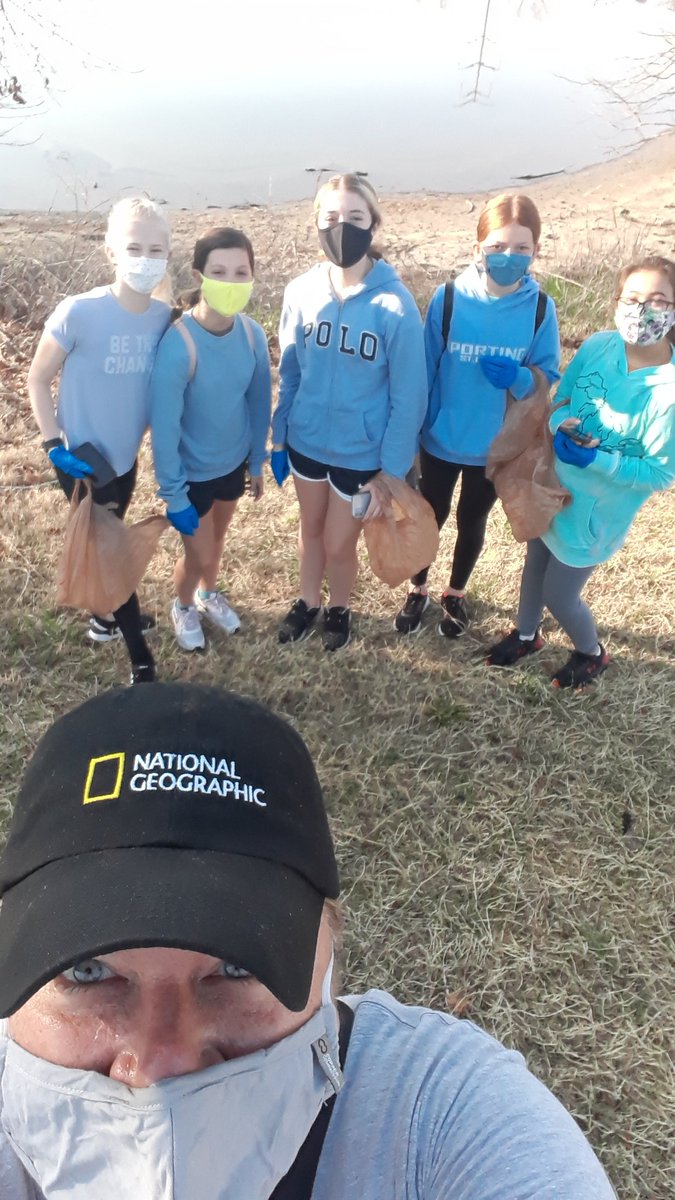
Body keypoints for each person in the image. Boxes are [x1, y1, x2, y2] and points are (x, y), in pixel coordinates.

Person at [0, 683, 618, 1199]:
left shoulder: (439, 1120)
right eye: (85, 971)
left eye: (238, 966)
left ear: (333, 967)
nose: (163, 1068)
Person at [487, 255, 675, 688]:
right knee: (535, 563)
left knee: (560, 593)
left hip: (595, 517)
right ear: (616, 301)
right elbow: (564, 401)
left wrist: (599, 461)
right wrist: (559, 426)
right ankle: (526, 634)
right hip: (554, 490)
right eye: (632, 299)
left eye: (658, 301)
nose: (642, 310)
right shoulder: (596, 347)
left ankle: (591, 653)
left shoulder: (667, 392)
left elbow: (662, 474)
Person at [271, 174, 427, 652]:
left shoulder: (395, 306)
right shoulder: (300, 291)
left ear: (373, 225)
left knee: (340, 542)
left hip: (361, 455)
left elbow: (410, 398)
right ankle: (307, 601)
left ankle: (338, 606)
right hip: (306, 442)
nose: (343, 227)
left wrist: (390, 472)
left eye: (355, 218)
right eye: (332, 217)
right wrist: (280, 434)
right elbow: (291, 369)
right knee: (310, 530)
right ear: (316, 223)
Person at [394, 193, 561, 638]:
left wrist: (521, 379)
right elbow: (423, 371)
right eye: (498, 247)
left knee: (473, 520)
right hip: (441, 438)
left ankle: (455, 593)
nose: (510, 257)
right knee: (432, 514)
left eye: (521, 249)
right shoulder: (448, 300)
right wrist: (412, 433)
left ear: (535, 252)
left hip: (496, 445)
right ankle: (419, 588)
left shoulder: (541, 309)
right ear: (477, 249)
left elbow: (548, 374)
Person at [27, 196, 172, 684]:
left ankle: (104, 616)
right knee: (111, 550)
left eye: (156, 248)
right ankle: (140, 658)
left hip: (125, 458)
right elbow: (36, 379)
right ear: (111, 250)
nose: (145, 257)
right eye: (134, 246)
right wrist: (53, 448)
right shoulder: (80, 312)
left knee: (113, 534)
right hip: (82, 462)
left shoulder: (160, 318)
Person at [150, 227, 271, 652]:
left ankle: (207, 594)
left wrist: (257, 460)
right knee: (196, 553)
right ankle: (183, 604)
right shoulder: (180, 343)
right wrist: (173, 494)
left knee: (217, 541)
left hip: (232, 463)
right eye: (219, 271)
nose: (231, 281)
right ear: (200, 274)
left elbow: (259, 400)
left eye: (241, 271)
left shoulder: (254, 335)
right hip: (191, 474)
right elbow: (164, 427)